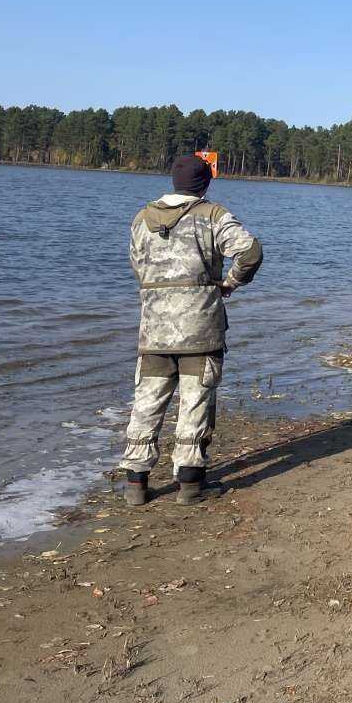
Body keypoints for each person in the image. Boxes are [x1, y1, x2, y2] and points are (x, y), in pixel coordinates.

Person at [120, 155, 263, 506]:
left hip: (154, 330)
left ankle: (136, 485)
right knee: (195, 403)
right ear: (206, 183)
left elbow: (138, 266)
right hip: (200, 328)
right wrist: (230, 283)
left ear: (173, 181)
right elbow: (251, 251)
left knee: (147, 404)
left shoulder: (142, 219)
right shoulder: (212, 216)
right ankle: (189, 484)